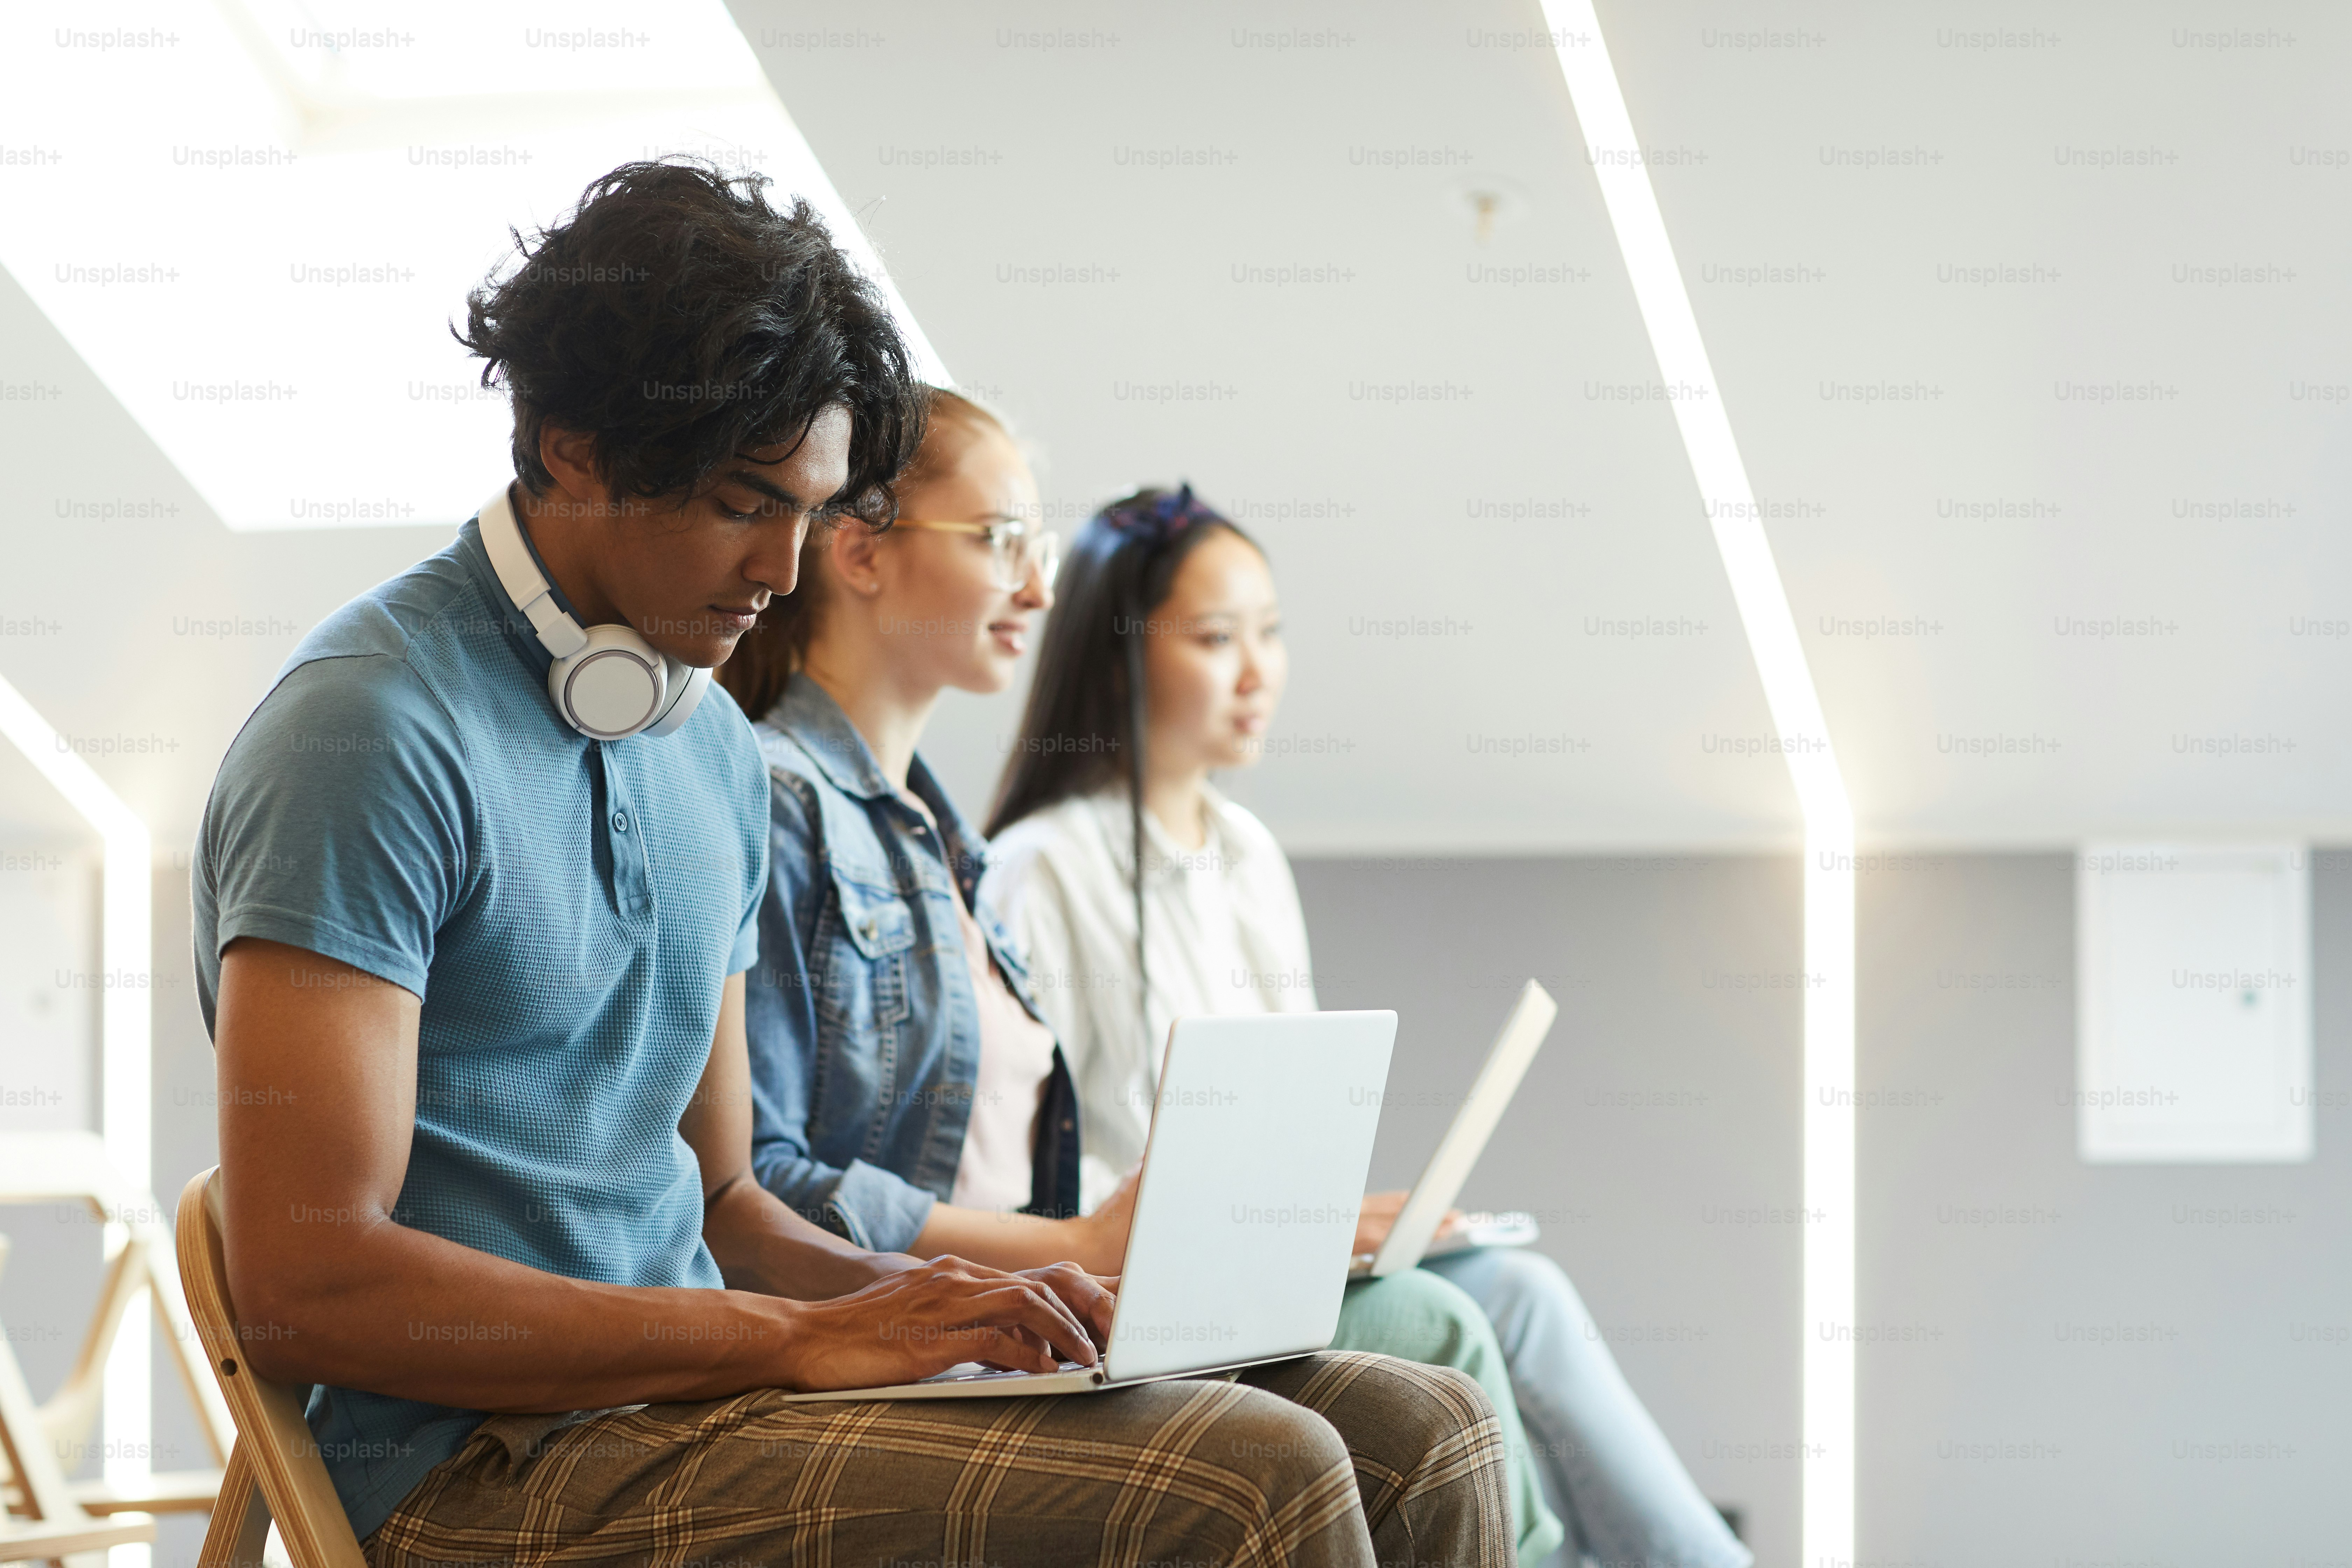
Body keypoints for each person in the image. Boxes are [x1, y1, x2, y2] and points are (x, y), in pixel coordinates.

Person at [192, 162, 1512, 1568]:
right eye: (742, 503)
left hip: (699, 1404)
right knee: (1256, 1476)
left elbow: (722, 1208)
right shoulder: (365, 731)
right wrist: (801, 1336)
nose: (786, 562)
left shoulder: (700, 746)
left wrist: (937, 1296)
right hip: (483, 1474)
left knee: (1424, 1424)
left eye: (812, 509)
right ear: (568, 446)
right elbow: (304, 1278)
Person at [716, 388, 1567, 1566]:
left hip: (1035, 1299)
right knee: (1348, 1413)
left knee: (1440, 1409)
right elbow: (757, 1188)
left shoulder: (941, 843)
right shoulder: (773, 800)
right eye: (1000, 539)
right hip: (922, 1335)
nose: (1039, 587)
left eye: (1039, 546)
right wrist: (1076, 1244)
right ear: (858, 550)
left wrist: (1112, 1242)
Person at [980, 485, 1755, 1568]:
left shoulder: (1245, 853)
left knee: (1521, 1284)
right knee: (1483, 1318)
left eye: (1271, 635)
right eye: (1216, 640)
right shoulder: (1041, 868)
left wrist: (1337, 1216)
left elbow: (1282, 1114)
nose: (1260, 673)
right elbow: (1032, 1178)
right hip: (1148, 1287)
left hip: (1270, 1265)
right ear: (1116, 658)